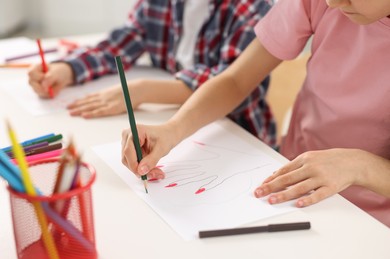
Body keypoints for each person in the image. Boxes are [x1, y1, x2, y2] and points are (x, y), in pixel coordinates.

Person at [121, 0, 390, 227]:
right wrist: (172, 129)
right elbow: (236, 80)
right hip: (286, 181)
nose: (332, 2)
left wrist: (359, 166)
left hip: (369, 220)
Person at [27, 0, 277, 148]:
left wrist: (145, 90)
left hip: (236, 135)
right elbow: (125, 40)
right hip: (171, 123)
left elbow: (234, 82)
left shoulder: (253, 7)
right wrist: (69, 69)